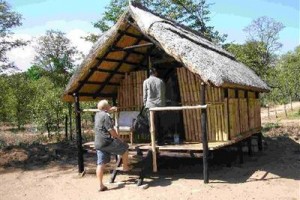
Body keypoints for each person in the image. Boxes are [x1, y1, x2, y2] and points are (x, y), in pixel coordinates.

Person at [94, 100, 130, 192]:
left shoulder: (97, 115)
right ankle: (126, 167)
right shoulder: (106, 116)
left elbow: (104, 113)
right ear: (106, 107)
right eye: (109, 105)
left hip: (98, 142)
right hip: (106, 141)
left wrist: (110, 110)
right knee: (125, 147)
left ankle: (100, 185)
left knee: (100, 164)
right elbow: (111, 131)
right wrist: (119, 138)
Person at [143, 68, 166, 144]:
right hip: (160, 105)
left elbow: (145, 95)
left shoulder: (146, 82)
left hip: (150, 105)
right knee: (160, 123)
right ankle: (161, 141)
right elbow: (163, 93)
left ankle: (153, 141)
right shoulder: (161, 81)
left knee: (152, 123)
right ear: (155, 73)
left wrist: (145, 104)